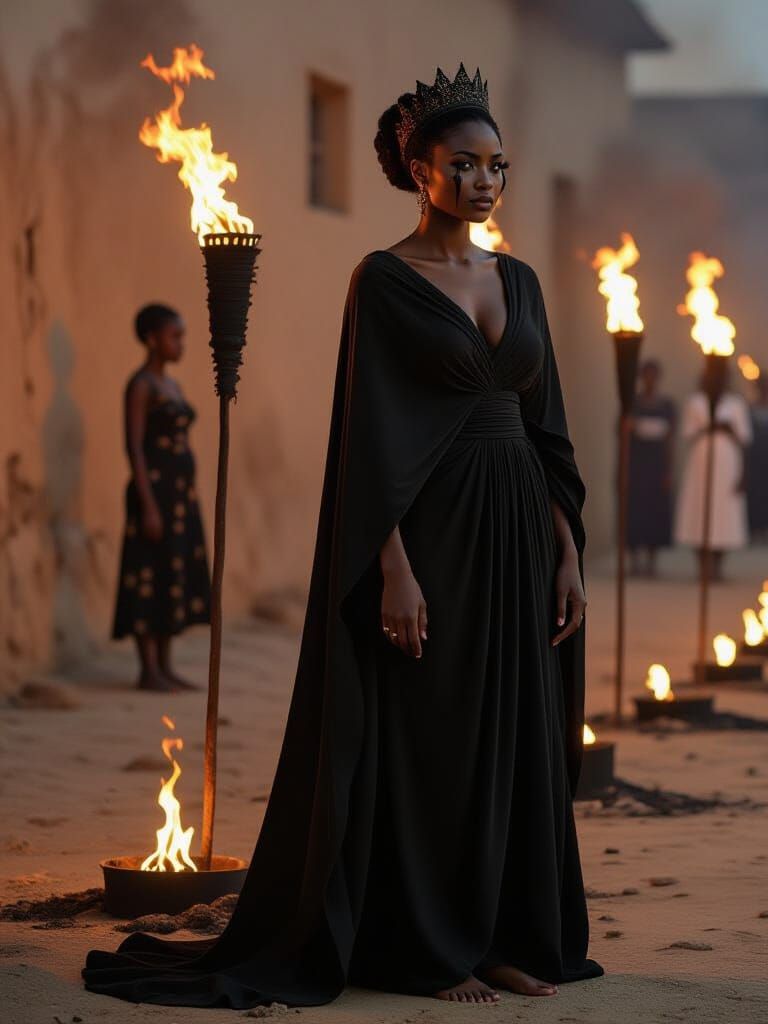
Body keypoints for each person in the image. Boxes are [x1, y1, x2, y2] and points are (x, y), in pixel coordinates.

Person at [84, 64, 600, 1008]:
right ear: (419, 169)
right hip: (429, 537)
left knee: (514, 736)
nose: (485, 182)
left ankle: (501, 938)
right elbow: (367, 440)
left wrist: (567, 551)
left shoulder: (518, 280)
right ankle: (423, 949)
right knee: (431, 739)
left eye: (499, 166)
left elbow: (547, 427)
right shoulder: (385, 281)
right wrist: (390, 568)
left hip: (519, 535)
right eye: (465, 164)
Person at [111, 304, 209, 691]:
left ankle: (165, 666)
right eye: (175, 336)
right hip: (153, 493)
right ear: (152, 338)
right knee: (148, 571)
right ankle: (147, 669)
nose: (181, 344)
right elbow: (133, 447)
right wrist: (148, 503)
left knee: (174, 572)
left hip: (180, 498)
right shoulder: (141, 386)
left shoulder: (173, 386)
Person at [675, 356, 751, 581]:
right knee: (700, 509)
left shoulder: (736, 403)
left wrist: (744, 472)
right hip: (702, 462)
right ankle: (702, 564)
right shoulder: (696, 402)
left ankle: (718, 565)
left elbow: (744, 437)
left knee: (723, 512)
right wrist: (710, 426)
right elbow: (688, 432)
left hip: (727, 464)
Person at [626, 359, 676, 576]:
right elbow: (623, 436)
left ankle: (651, 562)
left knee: (655, 513)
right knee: (636, 513)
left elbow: (670, 440)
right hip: (637, 467)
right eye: (646, 375)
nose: (649, 379)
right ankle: (634, 562)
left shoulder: (667, 406)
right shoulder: (632, 404)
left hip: (656, 467)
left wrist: (668, 471)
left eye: (653, 375)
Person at [745, 374, 768, 545]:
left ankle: (767, 529)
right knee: (754, 493)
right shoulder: (750, 409)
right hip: (754, 458)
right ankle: (753, 529)